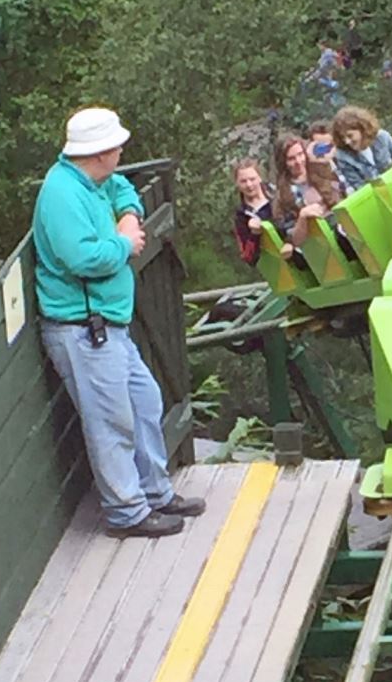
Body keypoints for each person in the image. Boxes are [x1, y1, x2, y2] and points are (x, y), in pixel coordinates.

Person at [33, 106, 204, 539]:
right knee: (110, 421)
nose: (122, 151)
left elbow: (124, 189)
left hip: (108, 325)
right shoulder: (62, 194)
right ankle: (126, 512)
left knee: (145, 402)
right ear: (99, 152)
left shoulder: (94, 180)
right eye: (116, 146)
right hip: (83, 329)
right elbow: (83, 258)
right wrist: (124, 243)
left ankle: (154, 492)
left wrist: (128, 214)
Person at [272, 132, 348, 263]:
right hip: (319, 246)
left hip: (341, 226)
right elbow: (293, 240)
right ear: (283, 162)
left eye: (300, 155)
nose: (298, 161)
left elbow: (344, 196)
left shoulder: (322, 173)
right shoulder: (283, 196)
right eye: (291, 159)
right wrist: (303, 217)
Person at [331, 105, 392, 191]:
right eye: (342, 137)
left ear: (362, 129)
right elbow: (359, 187)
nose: (347, 141)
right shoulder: (342, 156)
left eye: (350, 136)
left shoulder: (382, 137)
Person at [232, 158, 274, 266]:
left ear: (259, 178)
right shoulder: (240, 216)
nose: (249, 185)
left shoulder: (277, 202)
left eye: (252, 179)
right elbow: (249, 258)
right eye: (243, 181)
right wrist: (255, 234)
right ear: (237, 183)